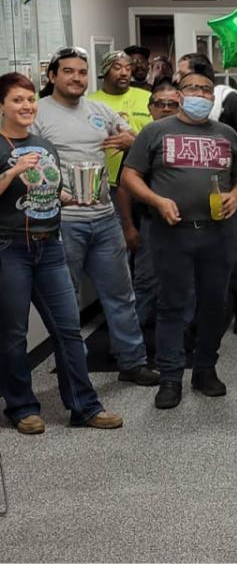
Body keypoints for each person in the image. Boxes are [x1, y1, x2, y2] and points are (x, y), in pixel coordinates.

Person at [0, 72, 124, 434]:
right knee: (13, 334)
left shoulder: (43, 143)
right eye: (17, 100)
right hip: (10, 249)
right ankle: (22, 408)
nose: (26, 106)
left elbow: (49, 192)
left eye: (29, 99)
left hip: (50, 245)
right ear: (2, 107)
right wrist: (13, 172)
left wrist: (72, 197)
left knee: (69, 330)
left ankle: (84, 406)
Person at [122, 67, 237, 409]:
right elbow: (130, 176)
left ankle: (205, 370)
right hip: (171, 234)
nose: (199, 94)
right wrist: (156, 200)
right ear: (179, 94)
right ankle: (169, 379)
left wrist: (236, 197)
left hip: (217, 235)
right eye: (192, 88)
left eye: (206, 89)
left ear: (213, 97)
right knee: (172, 306)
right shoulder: (155, 131)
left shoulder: (227, 134)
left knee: (214, 305)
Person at [32, 47, 158, 387]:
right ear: (53, 76)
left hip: (104, 218)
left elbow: (141, 141)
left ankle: (132, 362)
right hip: (63, 221)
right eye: (69, 71)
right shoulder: (38, 113)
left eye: (82, 72)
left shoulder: (100, 110)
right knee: (66, 298)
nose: (76, 78)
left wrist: (131, 139)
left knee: (120, 294)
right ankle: (74, 368)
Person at [176, 53, 237, 333]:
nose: (178, 77)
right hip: (190, 211)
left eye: (181, 71)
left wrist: (235, 194)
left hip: (228, 197)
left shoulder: (232, 104)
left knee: (233, 254)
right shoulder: (176, 112)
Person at [117, 78, 181, 330]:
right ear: (150, 107)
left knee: (182, 283)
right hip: (151, 224)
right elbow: (124, 187)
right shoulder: (141, 141)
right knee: (145, 283)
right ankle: (135, 345)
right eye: (159, 103)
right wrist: (128, 227)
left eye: (172, 104)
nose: (165, 108)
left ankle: (183, 337)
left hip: (189, 226)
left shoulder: (192, 139)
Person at [89, 51, 152, 190]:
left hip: (144, 178)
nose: (124, 73)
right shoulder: (90, 102)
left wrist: (134, 144)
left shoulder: (149, 98)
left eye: (128, 68)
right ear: (105, 71)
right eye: (117, 68)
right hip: (104, 180)